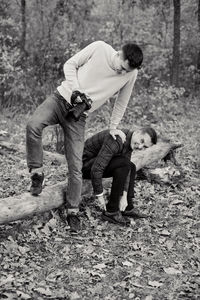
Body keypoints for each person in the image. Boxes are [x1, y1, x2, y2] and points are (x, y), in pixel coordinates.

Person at [26, 40, 143, 231]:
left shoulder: (131, 73)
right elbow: (69, 64)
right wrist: (76, 89)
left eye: (127, 71)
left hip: (79, 117)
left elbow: (122, 101)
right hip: (60, 98)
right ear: (119, 54)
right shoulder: (99, 48)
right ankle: (37, 173)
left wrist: (113, 126)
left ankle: (73, 212)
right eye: (122, 68)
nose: (122, 73)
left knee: (76, 166)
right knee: (33, 125)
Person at [82, 127, 157, 226]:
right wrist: (99, 195)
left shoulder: (129, 142)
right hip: (84, 165)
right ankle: (111, 211)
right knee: (124, 163)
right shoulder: (117, 138)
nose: (140, 146)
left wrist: (124, 197)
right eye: (141, 141)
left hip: (97, 163)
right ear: (137, 132)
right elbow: (96, 169)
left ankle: (127, 207)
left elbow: (127, 170)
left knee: (131, 166)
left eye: (144, 146)